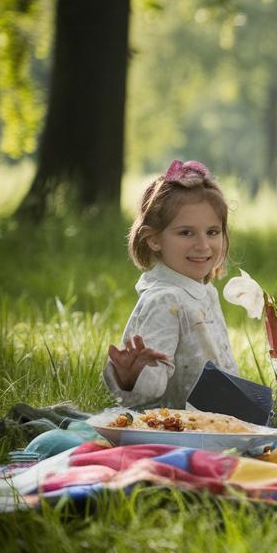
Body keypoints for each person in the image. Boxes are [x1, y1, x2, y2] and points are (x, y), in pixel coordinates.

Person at [103, 160, 240, 409]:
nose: (203, 245)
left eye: (212, 232)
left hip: (213, 425)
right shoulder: (165, 300)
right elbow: (150, 390)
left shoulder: (203, 291)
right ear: (154, 239)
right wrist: (133, 376)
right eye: (186, 233)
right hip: (176, 431)